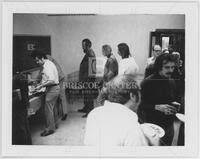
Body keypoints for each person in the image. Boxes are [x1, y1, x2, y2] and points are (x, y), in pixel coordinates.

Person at [84, 75, 149, 146]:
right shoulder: (132, 127)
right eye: (140, 93)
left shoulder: (93, 114)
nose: (141, 98)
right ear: (132, 96)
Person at [138, 53, 180, 146]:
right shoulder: (147, 83)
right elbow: (140, 106)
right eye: (167, 67)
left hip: (169, 126)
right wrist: (157, 107)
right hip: (153, 127)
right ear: (159, 67)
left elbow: (170, 100)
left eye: (173, 67)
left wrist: (175, 104)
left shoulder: (172, 82)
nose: (171, 70)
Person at [31, 50, 60, 136]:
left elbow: (51, 80)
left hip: (53, 89)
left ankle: (50, 129)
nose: (37, 62)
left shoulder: (47, 65)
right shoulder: (47, 64)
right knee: (52, 108)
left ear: (42, 58)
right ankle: (54, 125)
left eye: (37, 60)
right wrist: (41, 84)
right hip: (54, 88)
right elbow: (47, 78)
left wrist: (41, 86)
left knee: (48, 110)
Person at [46, 54, 68, 121]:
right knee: (62, 97)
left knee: (60, 97)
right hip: (61, 77)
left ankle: (63, 113)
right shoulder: (49, 57)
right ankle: (64, 113)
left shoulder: (47, 59)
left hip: (59, 79)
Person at [78, 39, 96, 118]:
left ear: (88, 46)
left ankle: (90, 112)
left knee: (89, 96)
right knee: (86, 95)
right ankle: (86, 108)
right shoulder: (88, 53)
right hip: (86, 79)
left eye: (83, 46)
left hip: (88, 80)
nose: (82, 47)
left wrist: (89, 81)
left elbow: (92, 69)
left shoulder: (91, 54)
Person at [12, 72, 32, 145]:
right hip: (24, 104)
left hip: (17, 107)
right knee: (26, 126)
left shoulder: (13, 79)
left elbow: (17, 96)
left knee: (20, 129)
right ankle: (29, 144)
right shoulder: (22, 76)